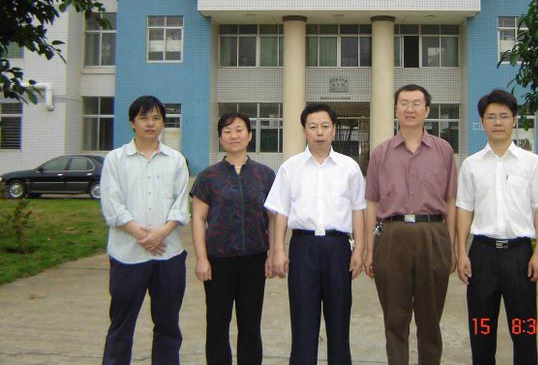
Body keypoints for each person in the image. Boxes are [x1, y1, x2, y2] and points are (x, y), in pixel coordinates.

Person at [456, 89, 538, 365]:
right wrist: (461, 252)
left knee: (524, 332)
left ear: (514, 120)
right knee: (481, 331)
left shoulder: (531, 163)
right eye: (491, 117)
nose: (497, 122)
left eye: (503, 116)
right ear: (482, 122)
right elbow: (464, 209)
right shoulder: (471, 165)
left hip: (519, 256)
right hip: (482, 255)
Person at [265, 103, 366, 365]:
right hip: (303, 248)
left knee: (339, 319)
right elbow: (280, 211)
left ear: (333, 129)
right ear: (304, 131)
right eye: (313, 127)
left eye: (324, 126)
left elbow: (358, 209)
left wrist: (359, 249)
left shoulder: (349, 167)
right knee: (303, 321)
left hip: (338, 248)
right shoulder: (290, 167)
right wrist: (278, 250)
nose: (319, 132)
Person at [364, 84, 457, 365]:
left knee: (430, 319)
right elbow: (372, 203)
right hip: (392, 236)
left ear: (427, 110)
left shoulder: (443, 151)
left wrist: (451, 246)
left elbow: (451, 200)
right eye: (403, 103)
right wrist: (369, 249)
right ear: (395, 110)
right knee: (395, 319)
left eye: (416, 103)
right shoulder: (381, 153)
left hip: (433, 234)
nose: (410, 109)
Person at [100, 95, 190, 365]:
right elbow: (112, 204)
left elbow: (181, 204)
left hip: (168, 255)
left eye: (156, 118)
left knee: (168, 325)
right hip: (127, 255)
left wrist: (161, 234)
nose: (150, 123)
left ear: (163, 123)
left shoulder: (175, 160)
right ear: (132, 122)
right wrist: (142, 236)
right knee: (121, 323)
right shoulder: (116, 160)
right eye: (144, 118)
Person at [190, 112, 276, 365]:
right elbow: (198, 219)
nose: (233, 136)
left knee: (250, 324)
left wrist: (273, 253)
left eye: (239, 130)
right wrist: (202, 259)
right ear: (220, 138)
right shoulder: (208, 177)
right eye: (227, 131)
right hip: (218, 260)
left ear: (249, 135)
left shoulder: (265, 175)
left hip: (254, 259)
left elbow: (274, 218)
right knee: (217, 324)